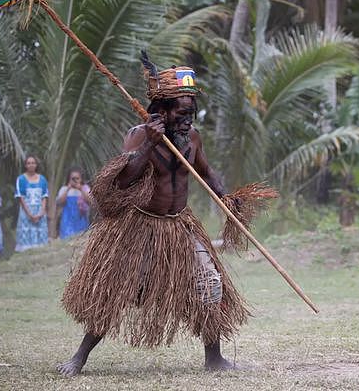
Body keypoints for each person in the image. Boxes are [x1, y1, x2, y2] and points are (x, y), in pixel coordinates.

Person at [57, 54, 269, 377]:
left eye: (191, 112)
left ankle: (214, 357)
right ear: (163, 111)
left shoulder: (192, 139)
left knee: (209, 284)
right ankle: (79, 357)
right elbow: (122, 181)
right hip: (140, 227)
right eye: (182, 113)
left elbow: (207, 171)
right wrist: (149, 146)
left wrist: (225, 197)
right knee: (117, 292)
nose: (189, 119)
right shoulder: (139, 136)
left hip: (180, 226)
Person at [14, 155, 49, 251]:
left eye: (33, 163)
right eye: (28, 163)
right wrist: (30, 215)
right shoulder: (20, 179)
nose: (31, 165)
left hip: (40, 212)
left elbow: (44, 197)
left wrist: (41, 213)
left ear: (36, 165)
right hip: (26, 212)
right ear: (25, 165)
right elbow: (20, 198)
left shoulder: (42, 179)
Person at [56, 167, 91, 239]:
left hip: (81, 220)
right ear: (69, 179)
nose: (75, 180)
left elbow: (90, 201)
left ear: (81, 179)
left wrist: (81, 189)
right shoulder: (64, 189)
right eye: (73, 178)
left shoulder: (85, 188)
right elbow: (59, 202)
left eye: (77, 178)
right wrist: (68, 189)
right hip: (67, 221)